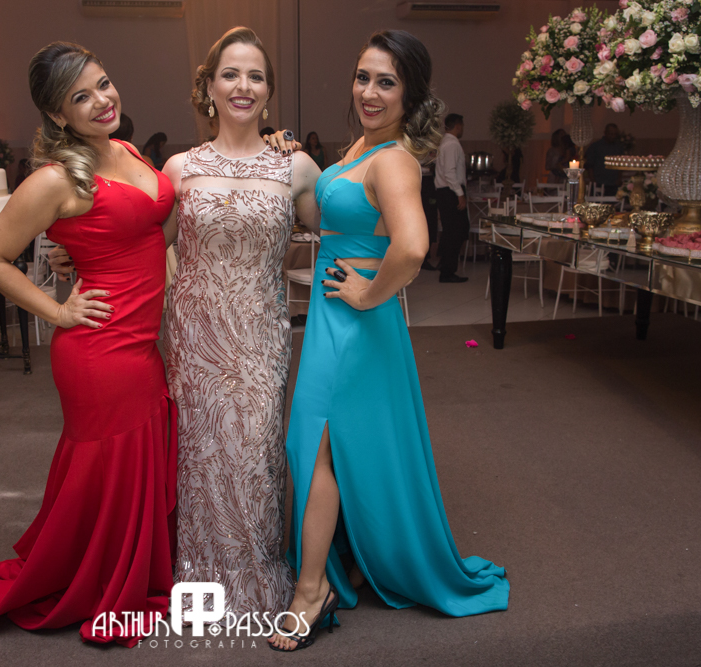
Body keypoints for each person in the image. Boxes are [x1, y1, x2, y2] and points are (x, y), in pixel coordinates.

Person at [268, 30, 509, 652]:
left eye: (386, 82)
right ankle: (345, 559)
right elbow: (327, 211)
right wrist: (289, 155)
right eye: (362, 77)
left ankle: (312, 590)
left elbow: (413, 246)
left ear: (411, 95)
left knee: (316, 445)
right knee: (332, 444)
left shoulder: (394, 159)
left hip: (355, 324)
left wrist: (367, 295)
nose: (369, 93)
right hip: (335, 320)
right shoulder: (362, 146)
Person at [0, 41, 177, 647]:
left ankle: (116, 564)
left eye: (103, 83)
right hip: (99, 350)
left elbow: (145, 229)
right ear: (56, 114)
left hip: (141, 343)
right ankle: (106, 579)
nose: (102, 100)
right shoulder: (54, 179)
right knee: (114, 466)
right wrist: (59, 311)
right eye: (81, 96)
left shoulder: (124, 150)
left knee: (133, 463)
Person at [161, 26, 321, 621]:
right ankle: (200, 582)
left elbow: (341, 232)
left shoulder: (296, 167)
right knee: (201, 458)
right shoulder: (179, 168)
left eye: (255, 76)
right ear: (208, 87)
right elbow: (141, 244)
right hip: (195, 338)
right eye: (230, 74)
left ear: (269, 91)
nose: (242, 86)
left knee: (255, 456)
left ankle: (259, 579)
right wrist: (73, 257)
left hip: (259, 338)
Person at [434, 112, 469, 283]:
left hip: (446, 191)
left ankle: (445, 264)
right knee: (455, 232)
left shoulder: (445, 143)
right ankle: (448, 271)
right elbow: (450, 172)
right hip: (450, 191)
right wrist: (460, 193)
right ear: (458, 126)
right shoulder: (452, 144)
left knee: (453, 231)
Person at [584, 123, 624, 195]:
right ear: (605, 133)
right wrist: (593, 181)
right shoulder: (595, 146)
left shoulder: (618, 147)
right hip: (599, 182)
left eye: (614, 134)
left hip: (614, 184)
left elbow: (621, 165)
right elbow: (589, 165)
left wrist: (619, 179)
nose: (612, 136)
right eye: (610, 134)